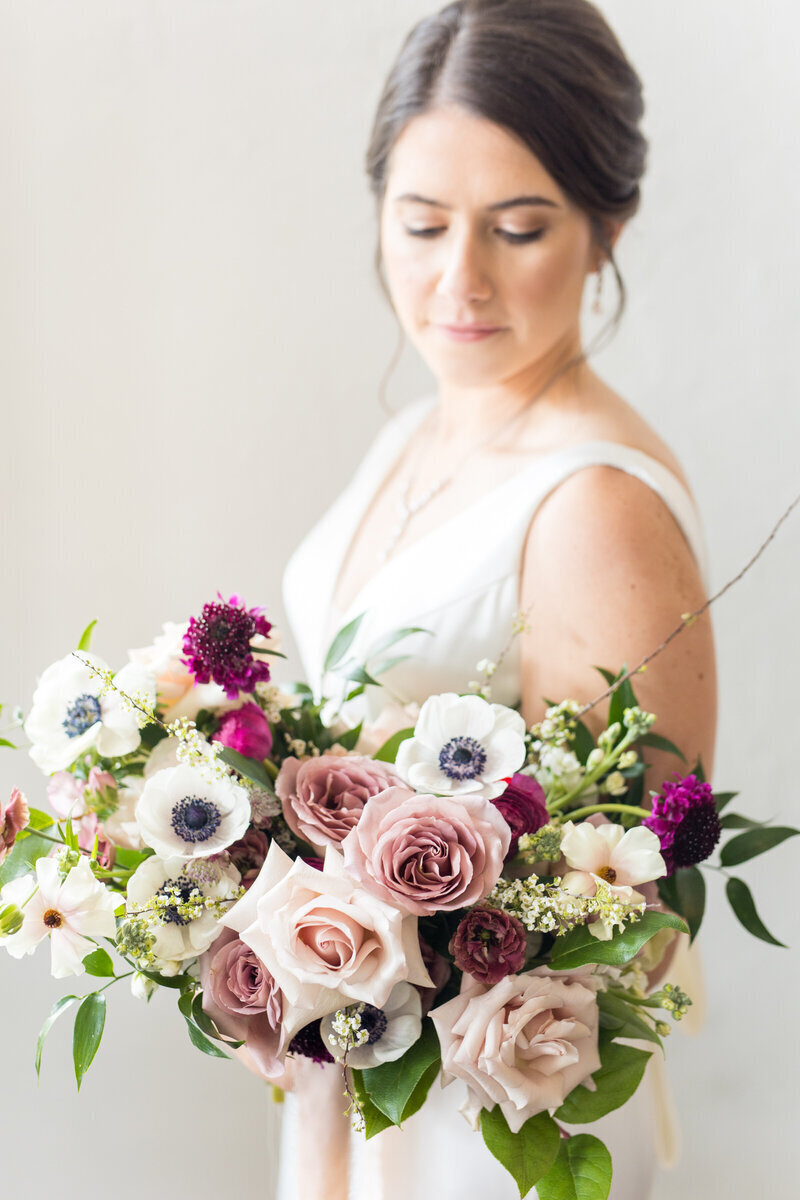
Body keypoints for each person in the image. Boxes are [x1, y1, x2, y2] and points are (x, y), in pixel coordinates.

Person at [279, 2, 717, 1197]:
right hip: (366, 1064)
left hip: (494, 1121)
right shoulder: (423, 428)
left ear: (603, 226)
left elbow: (622, 911)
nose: (455, 279)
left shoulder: (592, 503)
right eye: (419, 224)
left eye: (517, 229)